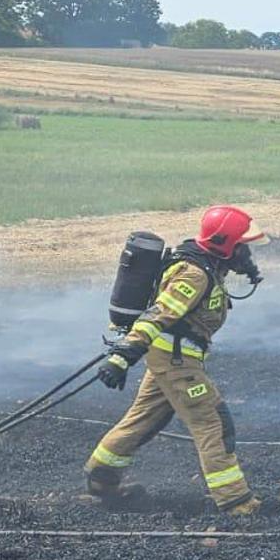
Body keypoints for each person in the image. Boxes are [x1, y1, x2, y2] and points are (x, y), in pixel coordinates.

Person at [82, 205, 267, 515]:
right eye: (241, 246)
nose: (245, 252)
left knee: (145, 419)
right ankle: (236, 500)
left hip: (169, 359)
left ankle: (101, 477)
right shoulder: (193, 274)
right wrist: (123, 356)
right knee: (212, 422)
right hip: (177, 362)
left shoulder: (206, 263)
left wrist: (244, 267)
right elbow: (158, 315)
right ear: (224, 245)